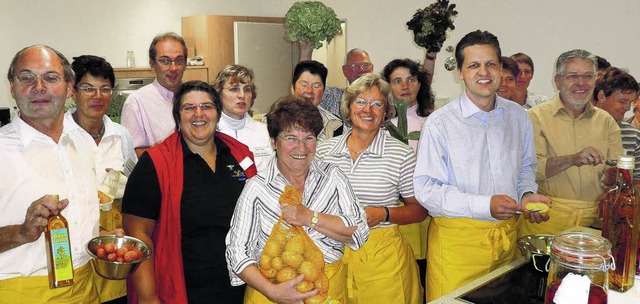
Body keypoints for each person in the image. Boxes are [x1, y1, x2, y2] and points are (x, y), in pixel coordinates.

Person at [413, 30, 550, 301]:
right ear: (460, 73)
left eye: (490, 64)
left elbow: (525, 168)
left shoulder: (518, 118)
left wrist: (526, 195)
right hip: (456, 248)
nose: (483, 72)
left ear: (500, 69)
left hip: (507, 243)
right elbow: (427, 190)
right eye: (473, 65)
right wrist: (485, 205)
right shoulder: (440, 123)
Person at [122, 81, 258, 303]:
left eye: (206, 106)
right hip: (182, 288)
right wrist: (148, 297)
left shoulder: (239, 154)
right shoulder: (155, 163)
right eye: (189, 108)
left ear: (217, 113)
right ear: (177, 117)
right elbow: (138, 235)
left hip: (239, 286)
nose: (199, 114)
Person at [226, 95, 369, 304]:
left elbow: (359, 231)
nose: (301, 148)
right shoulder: (257, 188)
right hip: (271, 292)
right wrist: (272, 291)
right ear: (274, 142)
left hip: (326, 291)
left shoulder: (333, 177)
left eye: (309, 138)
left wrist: (309, 217)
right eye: (291, 138)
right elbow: (237, 251)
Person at [0, 45, 100, 302]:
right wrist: (21, 232)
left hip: (86, 288)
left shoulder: (83, 142)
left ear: (69, 88)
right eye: (26, 77)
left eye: (51, 78)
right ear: (12, 87)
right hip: (20, 293)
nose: (39, 87)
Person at [316, 73, 426, 304]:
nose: (368, 110)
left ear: (386, 113)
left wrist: (384, 213)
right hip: (330, 253)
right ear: (348, 108)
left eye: (377, 104)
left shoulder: (401, 154)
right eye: (361, 102)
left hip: (382, 259)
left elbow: (418, 210)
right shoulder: (324, 151)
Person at [518, 49, 623, 237]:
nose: (581, 83)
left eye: (587, 76)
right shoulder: (535, 118)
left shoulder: (607, 122)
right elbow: (530, 170)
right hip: (546, 220)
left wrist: (612, 177)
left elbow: (618, 173)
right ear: (558, 81)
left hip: (595, 224)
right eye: (573, 76)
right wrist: (573, 159)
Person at [67, 55, 137, 303]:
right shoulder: (60, 136)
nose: (98, 96)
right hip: (73, 236)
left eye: (105, 89)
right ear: (72, 91)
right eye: (88, 88)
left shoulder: (120, 135)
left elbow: (133, 180)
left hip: (112, 242)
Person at [381, 58, 435, 299]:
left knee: (424, 270)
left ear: (419, 84)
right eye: (397, 81)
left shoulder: (433, 123)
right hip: (393, 209)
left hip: (424, 208)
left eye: (411, 80)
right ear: (387, 87)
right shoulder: (379, 125)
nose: (405, 86)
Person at [120, 32, 188, 157]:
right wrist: (172, 145)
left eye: (179, 60)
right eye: (165, 61)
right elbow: (134, 154)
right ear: (152, 65)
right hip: (160, 175)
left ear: (185, 64)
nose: (173, 68)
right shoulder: (136, 102)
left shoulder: (197, 96)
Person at [212, 64, 274, 173]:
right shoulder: (210, 132)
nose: (242, 95)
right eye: (234, 89)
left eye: (247, 89)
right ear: (219, 94)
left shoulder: (265, 131)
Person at [593, 67, 640, 179]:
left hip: (618, 195)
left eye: (630, 102)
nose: (627, 108)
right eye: (622, 101)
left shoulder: (633, 135)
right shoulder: (578, 129)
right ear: (602, 96)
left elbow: (637, 180)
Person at [291, 60, 343, 141]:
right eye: (304, 85)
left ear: (324, 92)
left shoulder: (335, 125)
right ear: (292, 88)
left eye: (316, 86)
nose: (309, 90)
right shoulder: (274, 119)